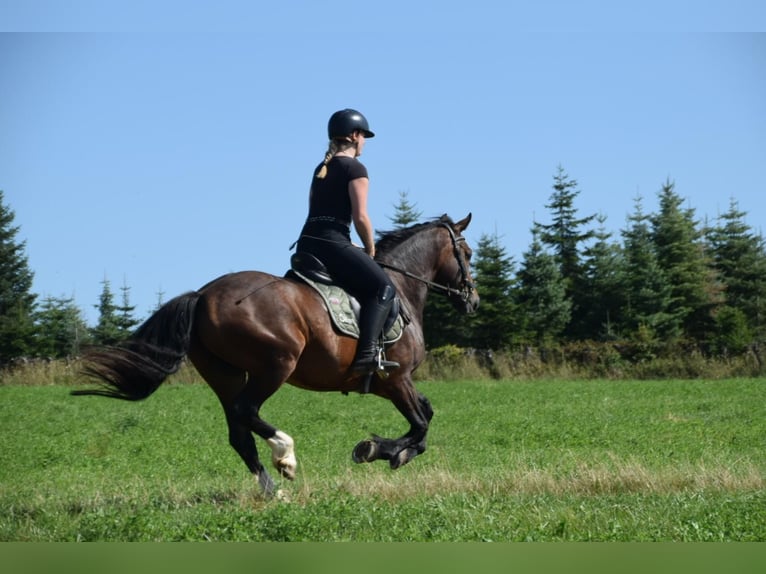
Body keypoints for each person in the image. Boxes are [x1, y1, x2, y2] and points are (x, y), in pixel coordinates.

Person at [295, 109, 399, 375]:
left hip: (308, 242)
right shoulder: (355, 168)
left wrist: (347, 243)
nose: (364, 141)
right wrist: (370, 248)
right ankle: (366, 357)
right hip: (331, 243)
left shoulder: (322, 168)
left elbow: (316, 213)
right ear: (354, 136)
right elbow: (360, 215)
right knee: (384, 287)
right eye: (364, 135)